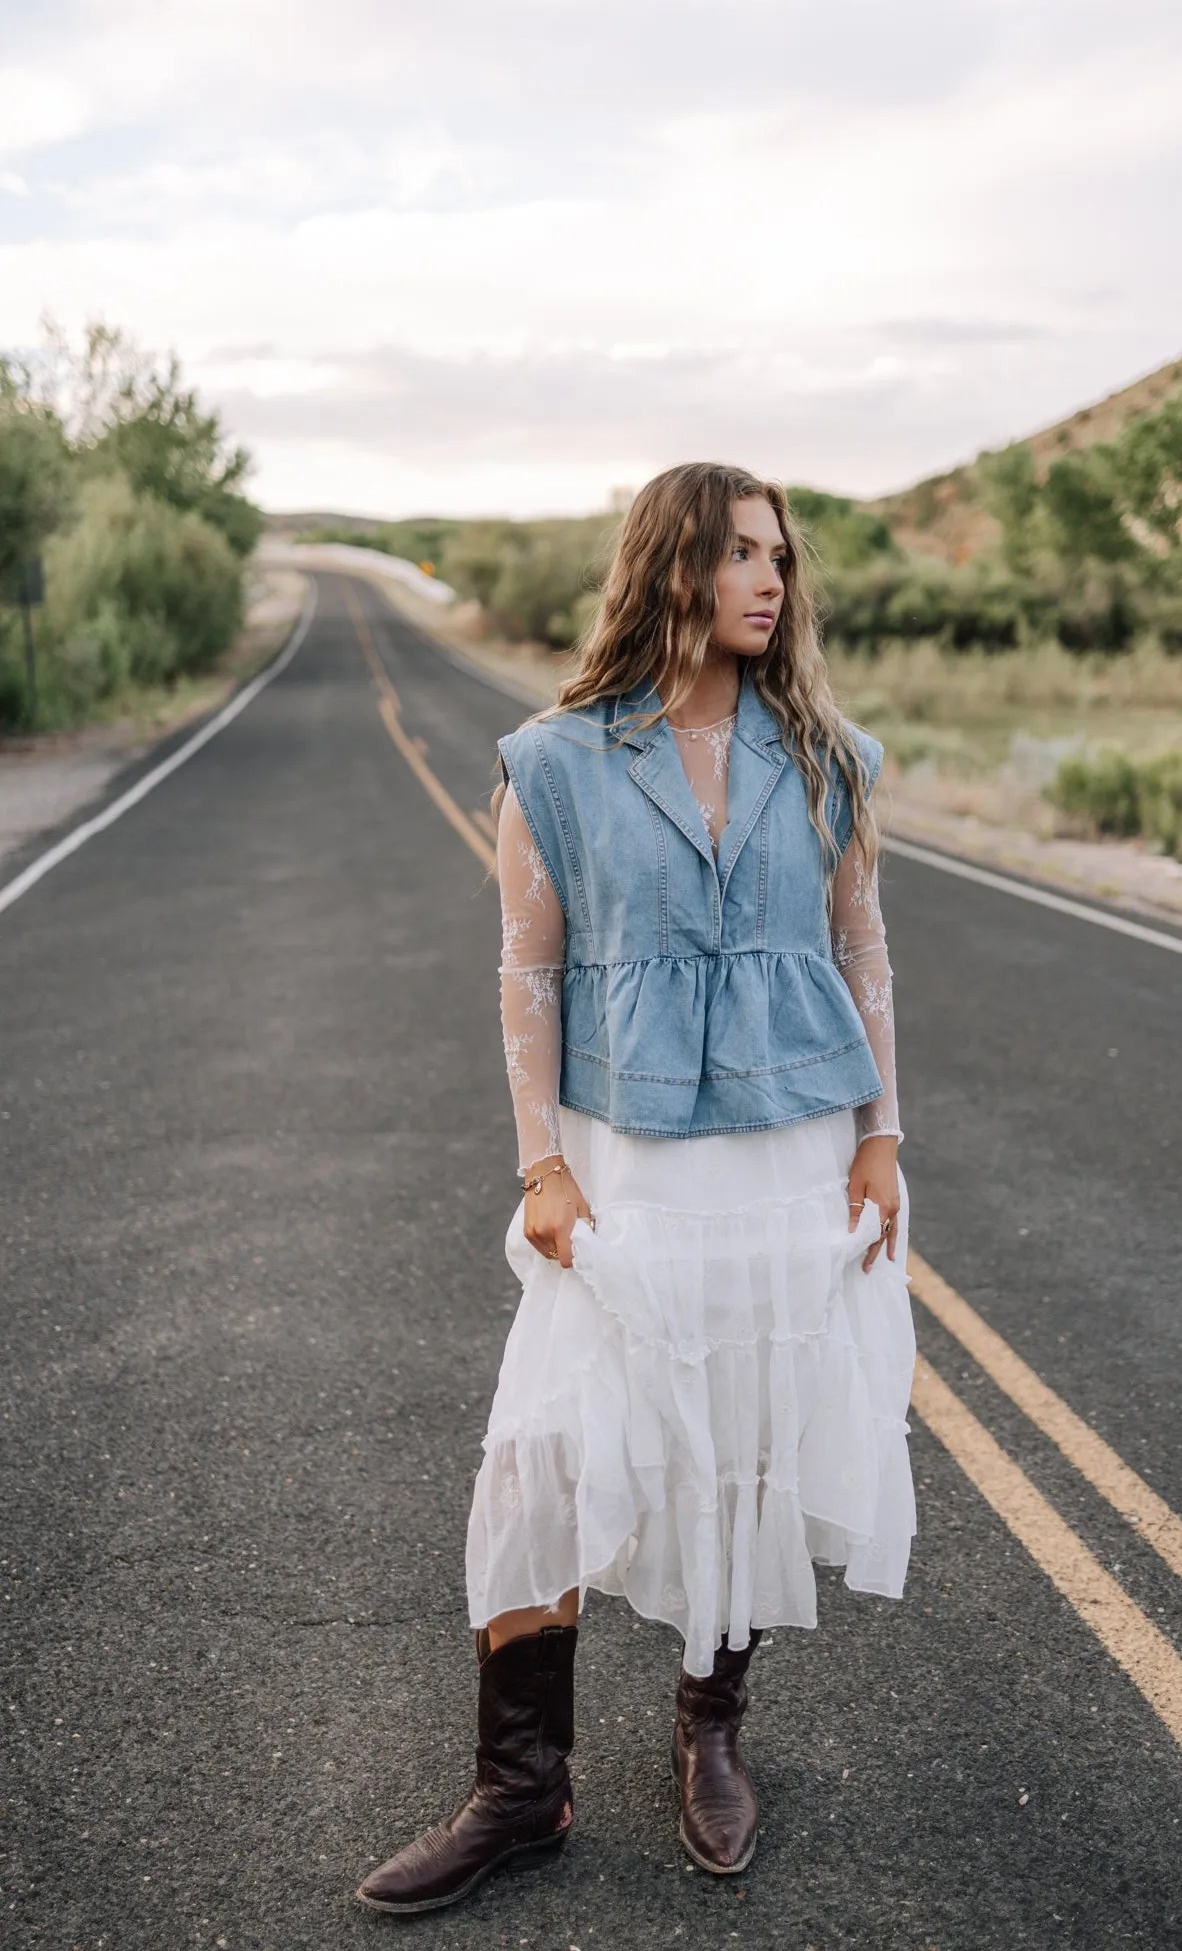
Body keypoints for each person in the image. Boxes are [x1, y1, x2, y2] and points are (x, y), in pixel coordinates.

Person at [356, 463, 917, 1915]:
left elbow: (862, 952)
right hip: (621, 1163)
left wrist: (881, 1137)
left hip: (792, 1151)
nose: (769, 579)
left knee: (741, 1449)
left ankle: (708, 1731)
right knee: (543, 1448)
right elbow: (524, 970)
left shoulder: (829, 755)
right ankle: (517, 1789)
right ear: (668, 565)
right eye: (739, 552)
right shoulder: (552, 761)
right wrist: (541, 1162)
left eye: (778, 555)